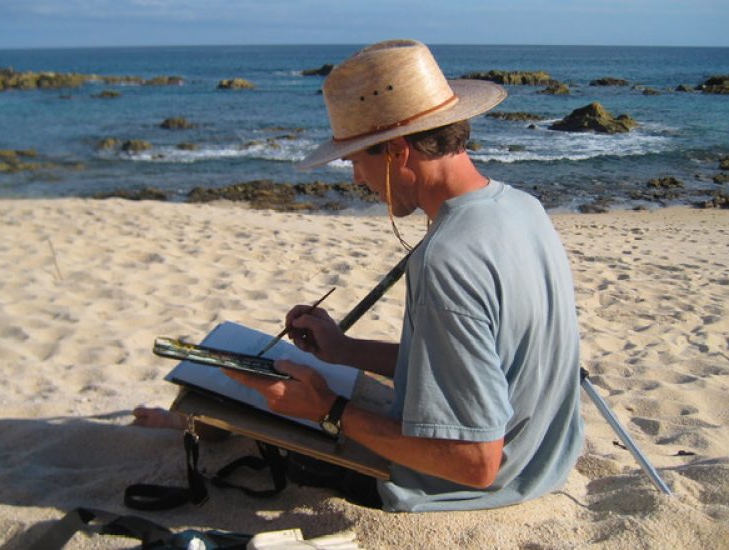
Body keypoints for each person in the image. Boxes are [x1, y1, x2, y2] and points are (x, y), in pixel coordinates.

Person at [136, 39, 584, 512]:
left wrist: (328, 411)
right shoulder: (521, 207)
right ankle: (197, 423)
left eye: (355, 158)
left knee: (266, 413)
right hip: (542, 461)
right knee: (285, 391)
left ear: (396, 151)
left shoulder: (447, 259)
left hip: (458, 486)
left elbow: (473, 463)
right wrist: (345, 350)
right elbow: (487, 361)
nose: (355, 179)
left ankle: (187, 426)